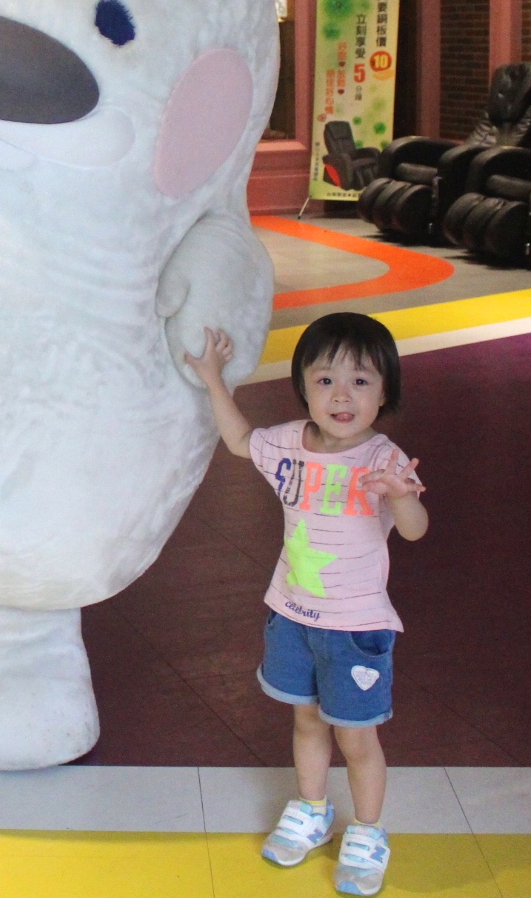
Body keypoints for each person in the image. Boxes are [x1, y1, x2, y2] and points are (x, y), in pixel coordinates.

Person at [187, 312, 427, 898]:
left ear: (385, 392)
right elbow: (241, 441)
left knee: (357, 737)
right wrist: (214, 376)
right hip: (291, 614)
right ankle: (314, 809)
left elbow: (416, 530)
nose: (341, 395)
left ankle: (368, 831)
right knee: (304, 718)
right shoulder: (289, 444)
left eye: (361, 381)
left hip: (357, 629)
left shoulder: (384, 459)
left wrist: (400, 497)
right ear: (304, 390)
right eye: (325, 381)